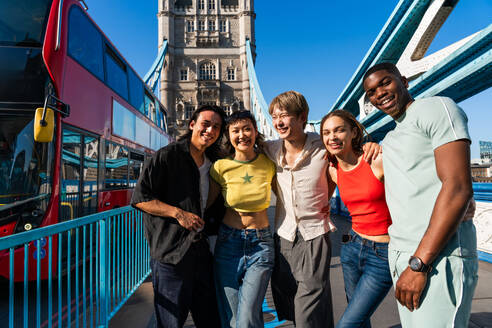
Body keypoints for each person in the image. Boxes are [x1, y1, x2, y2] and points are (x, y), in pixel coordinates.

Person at [363, 62, 478, 327]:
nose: (379, 93)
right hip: (401, 254)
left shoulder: (436, 108)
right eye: (371, 92)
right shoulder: (390, 139)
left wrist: (419, 264)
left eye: (385, 82)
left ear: (404, 81)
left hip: (435, 257)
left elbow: (458, 188)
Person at [264, 91, 380, 327]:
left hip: (314, 232)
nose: (279, 122)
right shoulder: (269, 148)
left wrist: (370, 145)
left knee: (308, 300)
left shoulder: (323, 145)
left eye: (284, 115)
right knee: (292, 298)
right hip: (283, 234)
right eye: (275, 116)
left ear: (302, 116)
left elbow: (351, 157)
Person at [131, 105, 225, 328]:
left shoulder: (215, 163)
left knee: (211, 318)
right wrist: (178, 213)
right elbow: (140, 198)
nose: (210, 130)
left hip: (202, 251)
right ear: (192, 124)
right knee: (171, 321)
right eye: (205, 124)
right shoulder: (166, 157)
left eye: (216, 127)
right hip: (172, 253)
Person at [320, 110, 393, 328]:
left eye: (339, 130)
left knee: (349, 323)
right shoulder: (333, 169)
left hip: (384, 253)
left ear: (353, 132)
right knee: (359, 318)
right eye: (326, 133)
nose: (332, 137)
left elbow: (413, 192)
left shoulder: (376, 160)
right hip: (352, 247)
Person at [208, 110, 276, 328]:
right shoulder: (220, 167)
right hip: (228, 243)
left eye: (247, 128)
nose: (242, 135)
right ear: (228, 135)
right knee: (233, 317)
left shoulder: (269, 163)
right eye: (235, 130)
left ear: (256, 132)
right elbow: (206, 204)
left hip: (260, 243)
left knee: (246, 315)